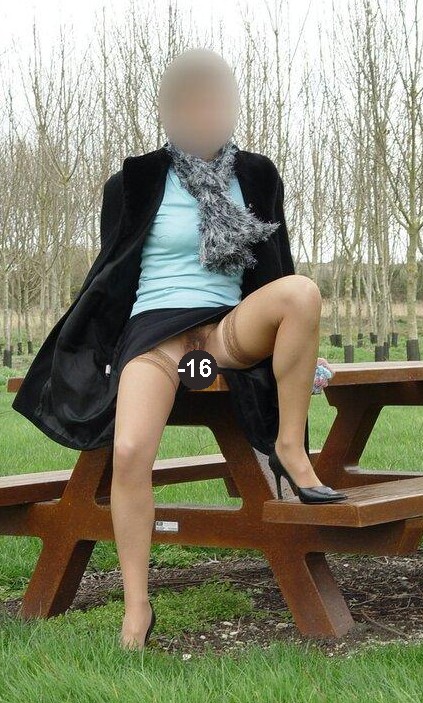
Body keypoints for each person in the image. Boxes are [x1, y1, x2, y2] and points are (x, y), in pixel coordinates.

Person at [110, 48, 347, 651]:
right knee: (130, 450)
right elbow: (111, 273)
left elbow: (276, 268)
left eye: (215, 103)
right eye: (191, 105)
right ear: (169, 112)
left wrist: (300, 345)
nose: (205, 114)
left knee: (301, 292)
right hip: (158, 334)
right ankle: (137, 609)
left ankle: (291, 451)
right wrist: (102, 351)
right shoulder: (135, 180)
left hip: (223, 333)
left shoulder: (257, 174)